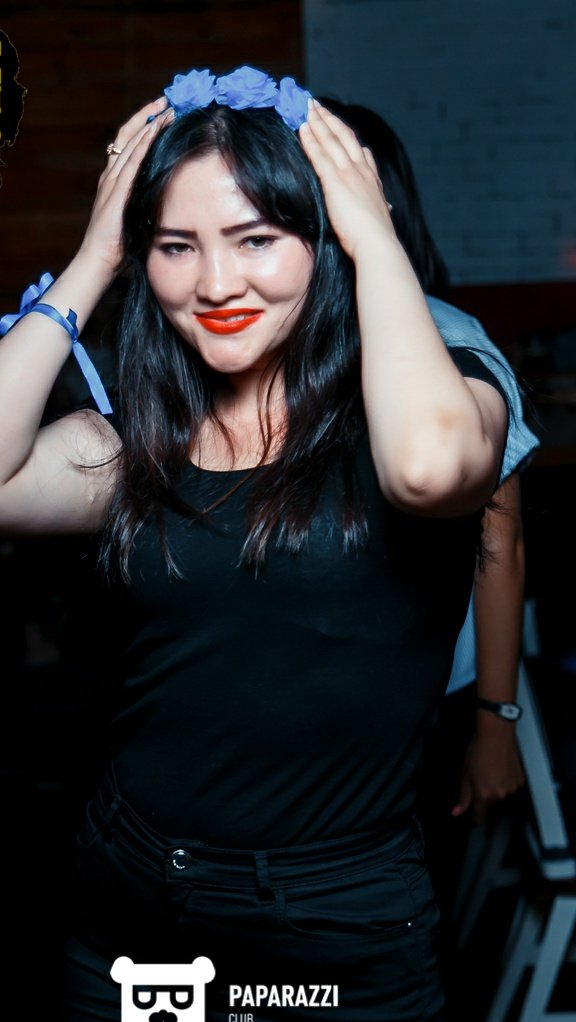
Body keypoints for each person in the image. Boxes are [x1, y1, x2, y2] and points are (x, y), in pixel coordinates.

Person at [0, 66, 514, 1022]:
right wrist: (92, 258)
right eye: (175, 246)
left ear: (327, 235)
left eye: (257, 239)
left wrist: (369, 236)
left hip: (325, 935)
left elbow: (426, 472)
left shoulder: (449, 392)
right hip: (131, 909)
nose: (215, 284)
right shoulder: (139, 436)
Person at [316, 100, 539, 921]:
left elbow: (500, 549)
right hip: (304, 711)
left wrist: (495, 723)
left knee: (402, 918)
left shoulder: (448, 341)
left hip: (420, 704)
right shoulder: (267, 339)